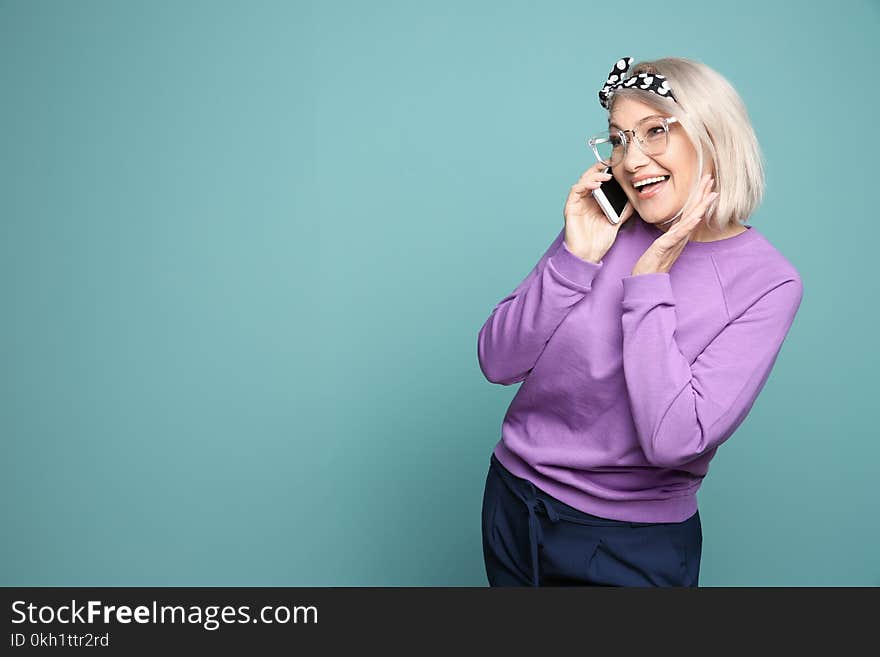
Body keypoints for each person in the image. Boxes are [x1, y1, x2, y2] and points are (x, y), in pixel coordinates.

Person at [477, 56, 804, 587]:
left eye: (655, 131)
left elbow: (673, 440)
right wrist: (574, 258)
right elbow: (497, 360)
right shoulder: (607, 225)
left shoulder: (768, 282)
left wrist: (649, 282)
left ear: (712, 136)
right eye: (620, 139)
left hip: (628, 542)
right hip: (516, 501)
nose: (631, 159)